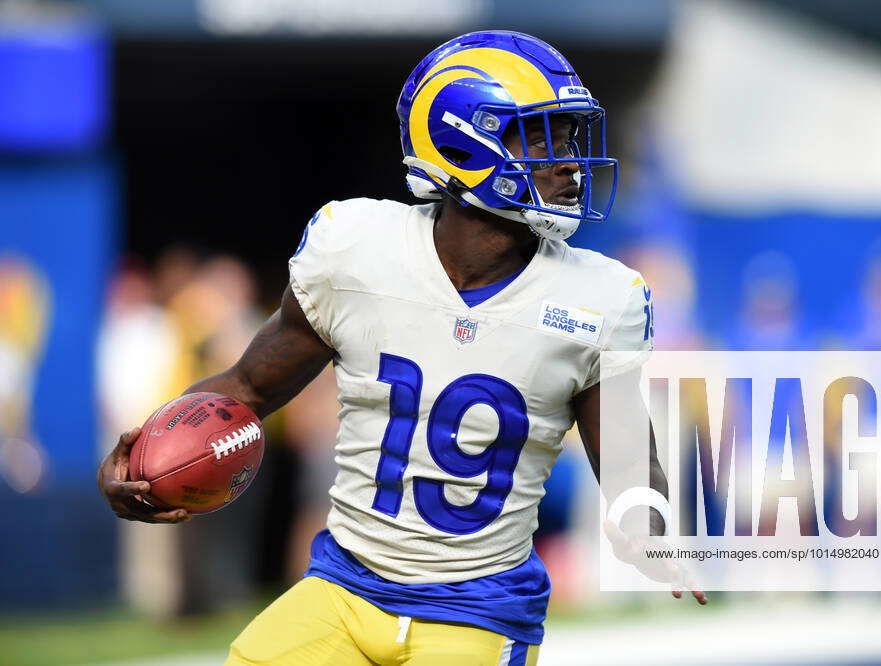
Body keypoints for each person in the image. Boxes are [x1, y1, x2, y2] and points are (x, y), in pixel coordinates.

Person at [97, 31, 705, 665]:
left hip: (476, 608)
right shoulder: (357, 249)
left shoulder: (599, 298)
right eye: (543, 135)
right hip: (345, 588)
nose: (568, 161)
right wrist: (147, 455)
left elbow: (630, 458)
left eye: (571, 136)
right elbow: (248, 386)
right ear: (462, 145)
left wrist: (648, 524)